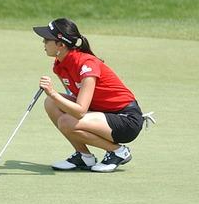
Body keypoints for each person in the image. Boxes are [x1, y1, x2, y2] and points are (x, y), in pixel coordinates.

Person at [33, 18, 145, 172]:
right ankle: (84, 156)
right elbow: (73, 98)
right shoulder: (60, 65)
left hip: (125, 120)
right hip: (102, 115)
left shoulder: (86, 64)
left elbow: (80, 111)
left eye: (47, 39)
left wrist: (52, 92)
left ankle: (118, 152)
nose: (43, 42)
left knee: (66, 120)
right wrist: (52, 97)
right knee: (50, 103)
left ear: (61, 44)